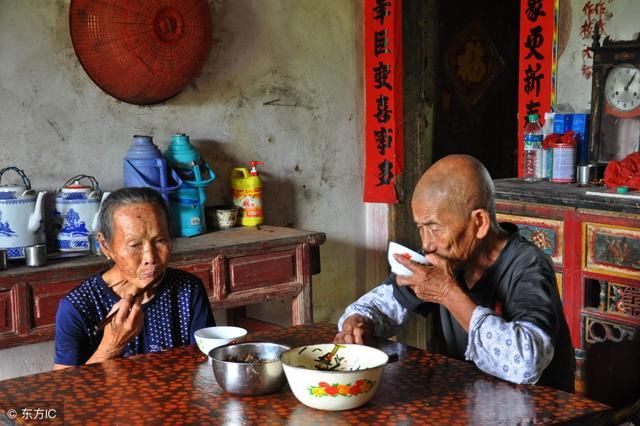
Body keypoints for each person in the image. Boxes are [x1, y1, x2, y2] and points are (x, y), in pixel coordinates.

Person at [334, 155, 575, 392]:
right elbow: (379, 305)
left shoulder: (527, 266)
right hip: (464, 401)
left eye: (435, 228)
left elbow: (525, 364)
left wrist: (448, 292)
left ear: (479, 223)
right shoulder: (444, 255)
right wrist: (358, 322)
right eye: (421, 228)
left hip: (537, 411)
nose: (427, 244)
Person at [54, 187, 215, 368]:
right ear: (105, 246)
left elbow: (207, 367)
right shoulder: (77, 306)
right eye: (135, 244)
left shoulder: (188, 290)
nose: (150, 258)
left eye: (160, 240)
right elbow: (66, 391)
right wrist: (112, 345)